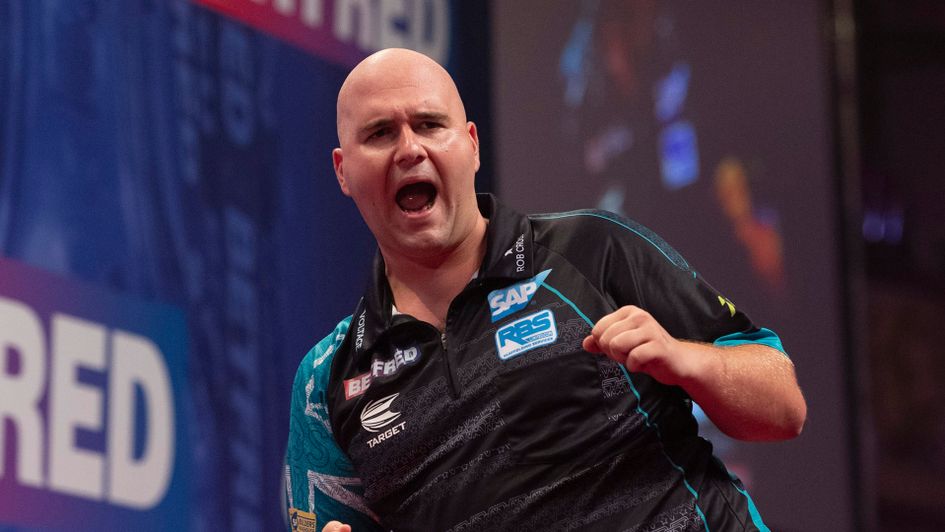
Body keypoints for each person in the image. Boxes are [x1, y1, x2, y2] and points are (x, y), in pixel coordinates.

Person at [283, 48, 806, 532]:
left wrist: (684, 358)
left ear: (471, 145)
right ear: (343, 171)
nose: (409, 149)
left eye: (429, 124)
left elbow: (783, 407)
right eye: (379, 133)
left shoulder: (592, 248)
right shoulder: (326, 383)